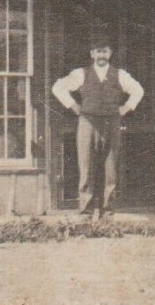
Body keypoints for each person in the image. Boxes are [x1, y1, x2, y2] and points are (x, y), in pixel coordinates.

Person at [52, 35, 144, 218]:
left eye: (105, 51)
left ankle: (108, 211)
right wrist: (74, 106)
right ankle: (85, 211)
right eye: (98, 51)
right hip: (88, 122)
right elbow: (57, 87)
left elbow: (138, 90)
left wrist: (126, 108)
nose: (101, 55)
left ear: (110, 54)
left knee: (110, 168)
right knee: (86, 165)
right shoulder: (81, 74)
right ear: (92, 54)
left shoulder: (120, 75)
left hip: (112, 122)